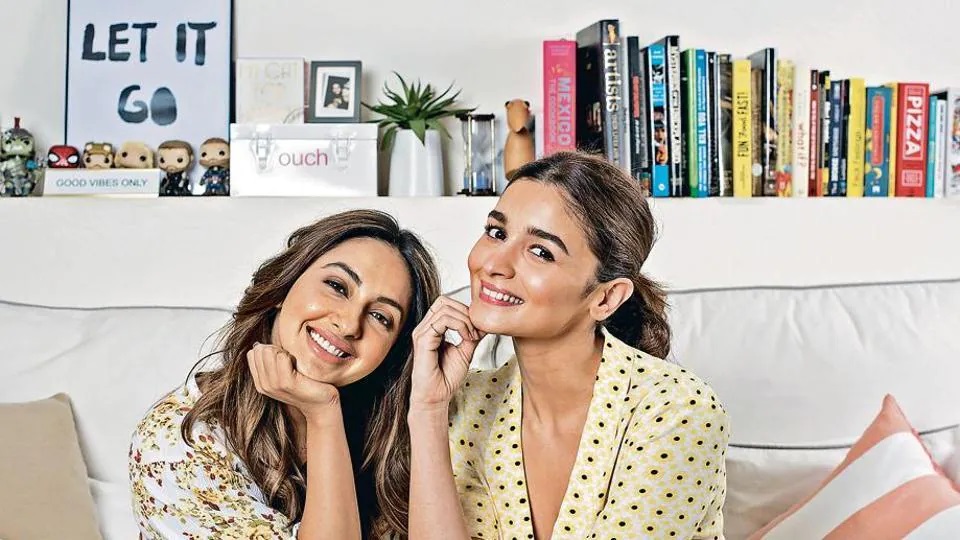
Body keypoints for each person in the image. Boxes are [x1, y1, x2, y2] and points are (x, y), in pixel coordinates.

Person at [407, 151, 730, 539]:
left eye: (541, 252)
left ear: (606, 298)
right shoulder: (464, 401)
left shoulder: (676, 411)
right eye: (496, 233)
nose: (494, 264)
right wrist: (427, 410)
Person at [129, 209, 440, 539]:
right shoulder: (177, 443)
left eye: (381, 317)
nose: (350, 324)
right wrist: (322, 413)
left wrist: (430, 407)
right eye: (337, 286)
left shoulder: (396, 433)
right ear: (284, 287)